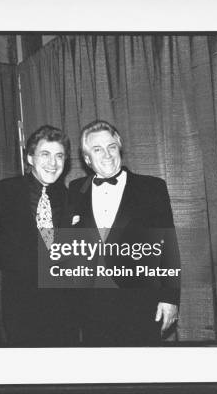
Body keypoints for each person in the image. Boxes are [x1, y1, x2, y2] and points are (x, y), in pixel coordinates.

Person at [67, 120, 181, 346]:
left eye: (111, 147)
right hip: (92, 304)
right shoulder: (75, 189)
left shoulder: (152, 187)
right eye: (97, 149)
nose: (107, 154)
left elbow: (168, 246)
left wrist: (169, 298)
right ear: (87, 159)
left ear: (120, 149)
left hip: (140, 301)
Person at [0, 125, 80, 346]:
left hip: (65, 314)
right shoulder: (2, 193)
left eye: (59, 156)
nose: (53, 163)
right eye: (45, 154)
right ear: (30, 158)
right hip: (18, 310)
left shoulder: (74, 199)